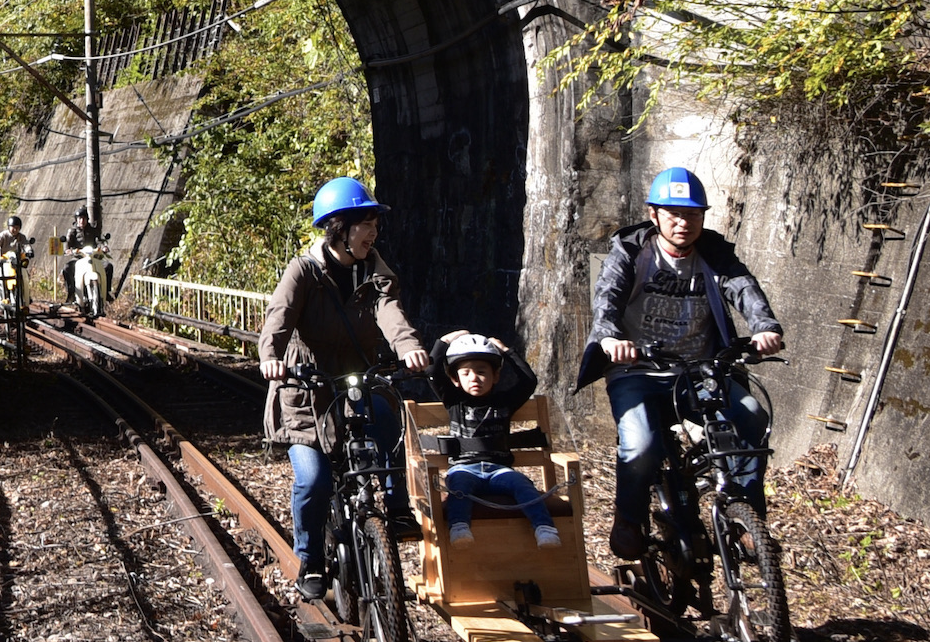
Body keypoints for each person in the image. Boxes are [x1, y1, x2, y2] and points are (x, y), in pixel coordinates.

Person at [576, 167, 785, 559]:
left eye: (691, 214)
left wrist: (764, 326)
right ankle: (628, 517)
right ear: (654, 215)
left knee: (753, 417)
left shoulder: (714, 253)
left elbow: (742, 286)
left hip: (698, 370)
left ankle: (746, 518)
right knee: (640, 447)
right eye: (672, 213)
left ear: (703, 217)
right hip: (636, 369)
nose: (682, 223)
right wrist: (610, 337)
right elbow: (607, 297)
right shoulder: (632, 251)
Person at [257, 177, 434, 599]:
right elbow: (278, 317)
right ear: (339, 227)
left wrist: (408, 347)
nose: (373, 232)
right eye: (365, 223)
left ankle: (395, 509)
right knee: (314, 480)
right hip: (305, 389)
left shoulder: (375, 270)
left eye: (375, 223)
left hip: (357, 379)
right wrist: (271, 357)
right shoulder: (305, 271)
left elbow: (389, 311)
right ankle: (311, 560)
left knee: (390, 424)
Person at [427, 331, 560, 547]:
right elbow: (432, 370)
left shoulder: (504, 402)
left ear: (495, 376)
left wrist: (507, 352)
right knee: (458, 487)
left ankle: (544, 528)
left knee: (523, 484)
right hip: (464, 468)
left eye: (482, 372)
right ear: (455, 380)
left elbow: (528, 381)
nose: (475, 378)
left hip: (499, 470)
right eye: (466, 373)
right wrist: (443, 342)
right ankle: (459, 528)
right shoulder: (454, 401)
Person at [0, 215, 33, 316]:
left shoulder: (22, 237)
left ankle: (26, 295)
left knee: (25, 276)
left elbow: (26, 245)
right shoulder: (3, 235)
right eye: (13, 227)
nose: (15, 229)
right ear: (9, 227)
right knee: (0, 277)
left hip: (17, 262)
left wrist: (30, 251)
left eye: (17, 227)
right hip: (3, 262)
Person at [64, 207, 105, 315]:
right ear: (76, 220)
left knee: (108, 266)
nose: (82, 221)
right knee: (67, 268)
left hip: (92, 257)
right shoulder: (72, 231)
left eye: (84, 218)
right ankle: (71, 292)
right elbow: (67, 245)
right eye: (79, 218)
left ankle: (107, 292)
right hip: (78, 258)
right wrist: (69, 250)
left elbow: (99, 241)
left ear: (87, 219)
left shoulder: (93, 230)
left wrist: (103, 247)